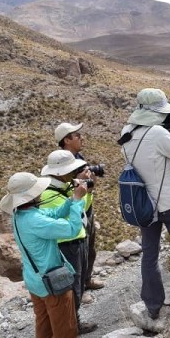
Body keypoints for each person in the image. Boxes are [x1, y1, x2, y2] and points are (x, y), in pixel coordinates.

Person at [118, 88, 170, 319]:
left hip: (144, 204)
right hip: (169, 202)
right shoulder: (157, 133)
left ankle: (153, 306)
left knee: (150, 254)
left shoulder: (127, 131)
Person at [0, 172, 88, 338]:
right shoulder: (35, 221)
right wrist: (79, 200)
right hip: (52, 282)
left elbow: (53, 213)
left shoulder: (20, 215)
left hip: (35, 280)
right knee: (64, 325)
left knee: (44, 323)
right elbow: (72, 228)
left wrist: (72, 199)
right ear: (31, 196)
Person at [39, 150, 97, 334]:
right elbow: (68, 223)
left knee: (77, 287)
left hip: (77, 242)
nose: (74, 174)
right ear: (60, 172)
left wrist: (86, 190)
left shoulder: (63, 187)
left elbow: (83, 209)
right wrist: (77, 197)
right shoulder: (48, 194)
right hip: (67, 245)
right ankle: (69, 333)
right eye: (71, 171)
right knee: (72, 290)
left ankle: (75, 325)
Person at [54, 122, 105, 291]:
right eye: (77, 136)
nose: (81, 138)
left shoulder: (78, 157)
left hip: (85, 206)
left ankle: (86, 280)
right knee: (80, 250)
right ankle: (78, 287)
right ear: (67, 140)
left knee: (90, 248)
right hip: (75, 209)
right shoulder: (63, 164)